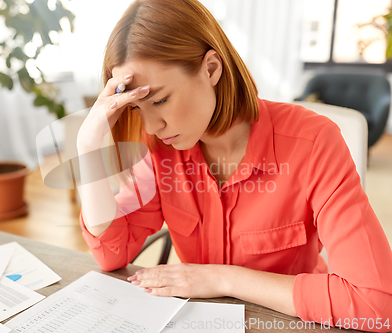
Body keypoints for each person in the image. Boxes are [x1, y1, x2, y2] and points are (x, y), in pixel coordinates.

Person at [75, 0, 392, 330]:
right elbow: (111, 254)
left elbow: (376, 303)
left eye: (159, 100)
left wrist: (221, 279)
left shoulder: (313, 143)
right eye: (138, 109)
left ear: (211, 69)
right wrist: (86, 148)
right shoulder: (160, 149)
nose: (152, 126)